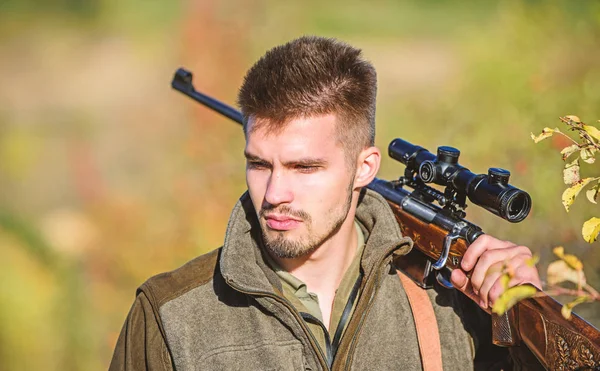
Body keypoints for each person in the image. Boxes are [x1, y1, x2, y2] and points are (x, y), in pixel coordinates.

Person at [110, 36, 543, 370]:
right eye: (260, 164)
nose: (275, 193)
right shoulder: (170, 313)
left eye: (304, 168)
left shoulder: (454, 308)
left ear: (364, 168)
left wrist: (523, 322)